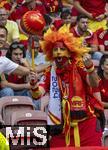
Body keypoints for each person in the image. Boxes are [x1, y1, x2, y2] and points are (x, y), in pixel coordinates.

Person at [29, 25, 104, 147]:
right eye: (55, 50)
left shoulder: (79, 65)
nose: (58, 52)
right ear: (50, 53)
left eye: (62, 49)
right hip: (62, 128)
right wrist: (33, 83)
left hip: (87, 125)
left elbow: (94, 83)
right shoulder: (50, 72)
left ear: (69, 52)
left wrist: (90, 69)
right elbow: (37, 94)